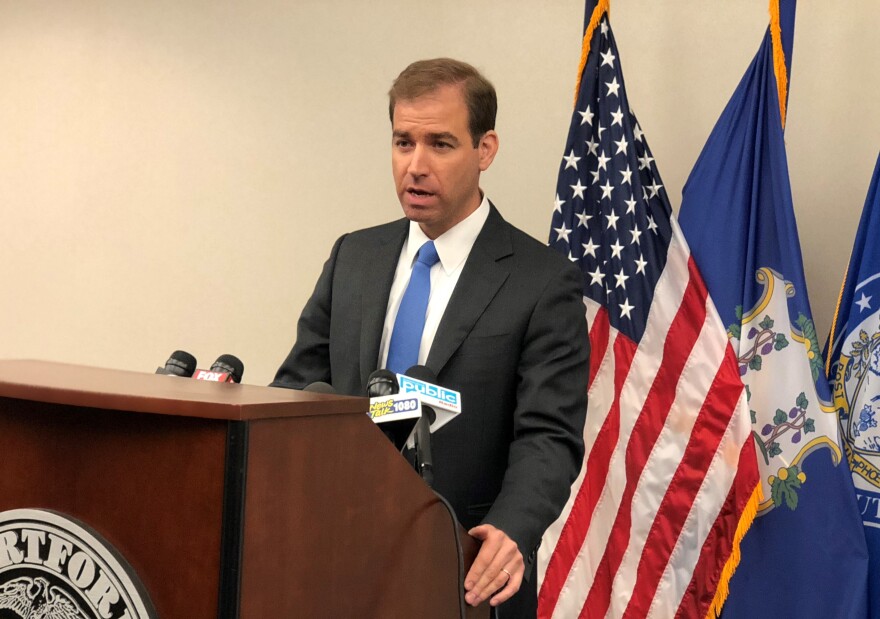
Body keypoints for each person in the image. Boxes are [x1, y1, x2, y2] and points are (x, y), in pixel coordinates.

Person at [272, 58, 589, 617]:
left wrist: (512, 530)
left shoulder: (541, 282)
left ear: (485, 150)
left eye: (440, 144)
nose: (415, 166)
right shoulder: (355, 256)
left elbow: (548, 434)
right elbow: (297, 388)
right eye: (402, 142)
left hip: (463, 566)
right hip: (335, 557)